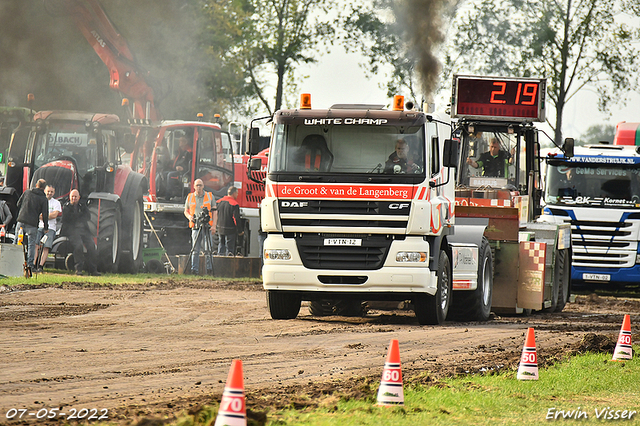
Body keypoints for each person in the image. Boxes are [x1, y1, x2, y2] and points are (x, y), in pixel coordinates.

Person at [62, 189, 100, 276]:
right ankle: (78, 269)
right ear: (69, 197)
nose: (74, 198)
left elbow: (87, 217)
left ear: (79, 197)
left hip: (84, 230)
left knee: (91, 246)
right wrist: (79, 216)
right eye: (72, 197)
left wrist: (77, 217)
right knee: (78, 246)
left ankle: (93, 270)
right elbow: (67, 219)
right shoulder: (66, 207)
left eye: (75, 197)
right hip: (72, 231)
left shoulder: (82, 206)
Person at [14, 179, 49, 272]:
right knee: (31, 245)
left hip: (21, 220)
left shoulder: (27, 192)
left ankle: (14, 261)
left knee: (17, 241)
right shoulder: (43, 199)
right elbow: (45, 214)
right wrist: (46, 227)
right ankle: (30, 265)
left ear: (36, 185)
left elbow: (18, 204)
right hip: (32, 224)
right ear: (44, 188)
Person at [184, 179, 214, 274]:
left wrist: (214, 226)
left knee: (208, 249)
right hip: (196, 227)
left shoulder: (209, 196)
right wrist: (189, 217)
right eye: (197, 185)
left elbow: (215, 211)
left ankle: (209, 270)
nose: (199, 187)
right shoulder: (190, 197)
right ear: (193, 186)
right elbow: (186, 210)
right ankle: (194, 270)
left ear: (203, 186)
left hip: (207, 227)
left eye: (200, 185)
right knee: (195, 250)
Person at [34, 185, 62, 273]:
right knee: (36, 245)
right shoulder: (39, 201)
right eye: (48, 191)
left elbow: (55, 215)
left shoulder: (56, 203)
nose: (49, 193)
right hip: (39, 226)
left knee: (46, 247)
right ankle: (34, 265)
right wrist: (48, 216)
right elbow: (36, 214)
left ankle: (41, 266)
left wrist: (44, 216)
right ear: (45, 191)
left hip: (51, 228)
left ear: (54, 193)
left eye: (51, 192)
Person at [216, 186, 242, 257]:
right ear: (234, 193)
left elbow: (215, 215)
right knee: (230, 249)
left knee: (221, 245)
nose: (237, 195)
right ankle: (229, 264)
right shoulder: (234, 204)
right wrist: (240, 231)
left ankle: (219, 262)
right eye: (237, 193)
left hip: (220, 229)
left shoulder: (219, 202)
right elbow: (236, 219)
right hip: (230, 230)